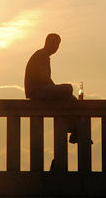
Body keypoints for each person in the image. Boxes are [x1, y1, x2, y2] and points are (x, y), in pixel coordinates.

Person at [25, 33, 80, 170]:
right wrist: (57, 90)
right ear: (47, 42)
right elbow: (44, 79)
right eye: (54, 44)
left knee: (72, 99)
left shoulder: (43, 56)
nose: (56, 47)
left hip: (39, 91)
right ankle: (74, 129)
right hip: (37, 92)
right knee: (68, 89)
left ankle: (75, 129)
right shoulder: (42, 56)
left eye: (58, 45)